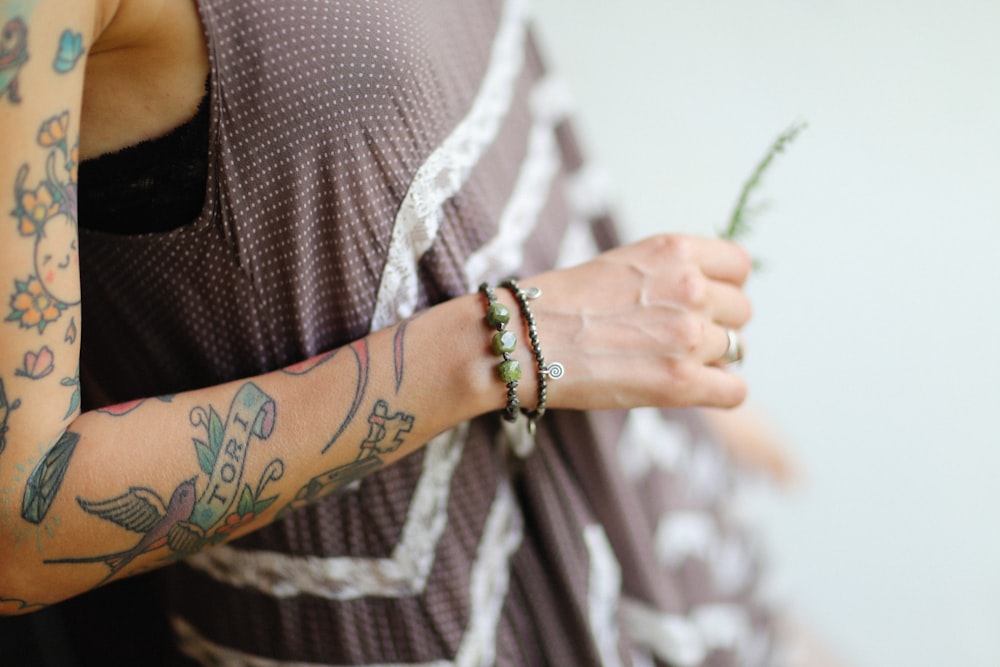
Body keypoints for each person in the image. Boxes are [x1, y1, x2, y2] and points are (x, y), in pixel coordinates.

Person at [0, 0, 776, 664]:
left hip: (647, 514)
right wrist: (500, 344)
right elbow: (22, 523)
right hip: (408, 623)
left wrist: (651, 346)